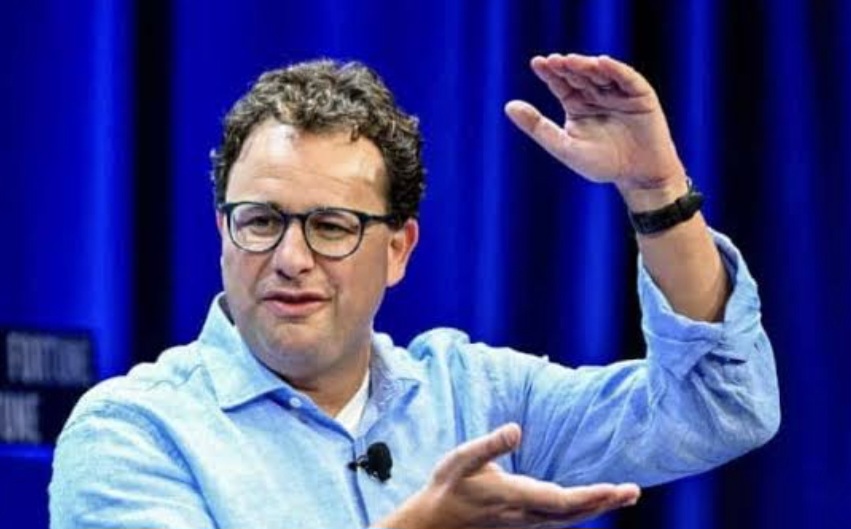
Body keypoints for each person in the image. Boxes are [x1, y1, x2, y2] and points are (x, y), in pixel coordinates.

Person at [49, 52, 780, 529]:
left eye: (331, 226)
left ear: (398, 250)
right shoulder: (132, 430)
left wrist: (656, 192)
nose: (290, 259)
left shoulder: (477, 398)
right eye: (261, 221)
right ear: (222, 232)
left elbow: (721, 406)